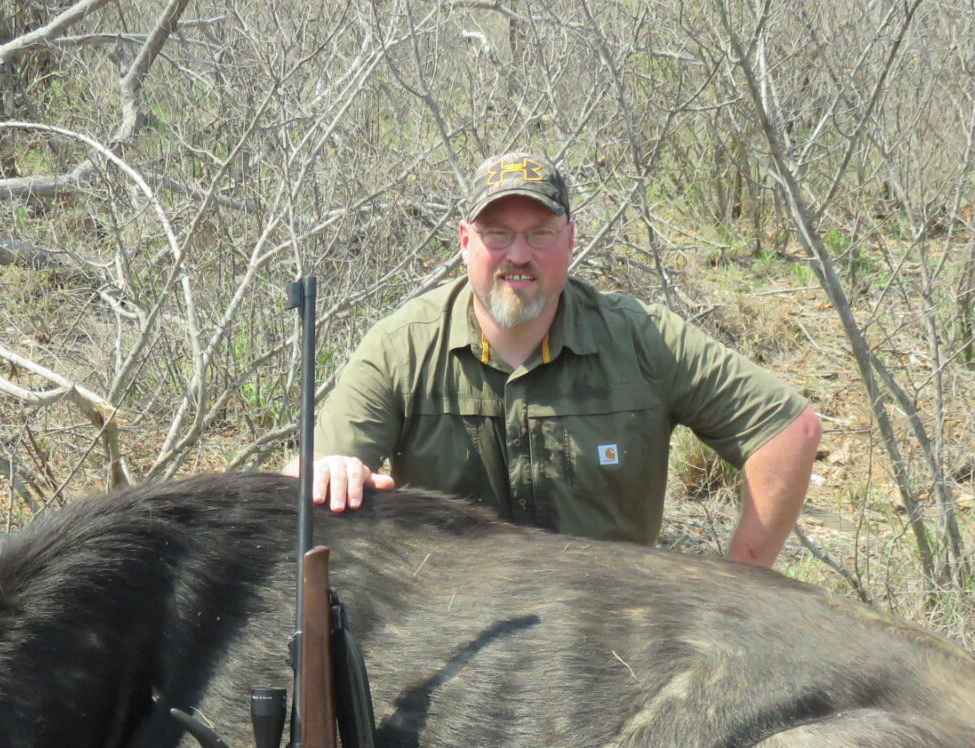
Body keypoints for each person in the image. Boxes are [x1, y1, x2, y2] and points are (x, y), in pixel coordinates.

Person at [295, 152, 822, 565]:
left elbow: (789, 431)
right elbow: (305, 479)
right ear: (464, 242)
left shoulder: (643, 340)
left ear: (570, 240)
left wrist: (737, 590)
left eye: (540, 234)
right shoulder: (402, 345)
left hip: (616, 637)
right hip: (456, 633)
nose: (518, 254)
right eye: (497, 234)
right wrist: (331, 471)